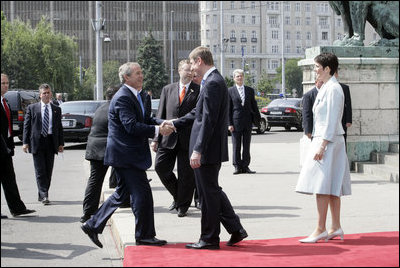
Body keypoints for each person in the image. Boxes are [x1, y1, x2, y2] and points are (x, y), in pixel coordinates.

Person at [80, 62, 173, 248]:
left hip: (127, 154)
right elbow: (131, 126)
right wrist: (157, 130)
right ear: (126, 78)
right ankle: (144, 235)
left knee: (122, 194)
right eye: (137, 73)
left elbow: (145, 119)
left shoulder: (135, 95)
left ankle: (92, 224)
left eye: (141, 72)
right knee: (143, 195)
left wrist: (166, 123)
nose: (141, 75)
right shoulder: (123, 97)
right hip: (126, 155)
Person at [172, 46, 247, 249]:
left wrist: (198, 149)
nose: (191, 69)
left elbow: (208, 121)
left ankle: (209, 238)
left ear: (199, 61)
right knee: (212, 191)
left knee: (208, 195)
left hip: (207, 149)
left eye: (191, 63)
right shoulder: (211, 81)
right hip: (208, 148)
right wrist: (173, 123)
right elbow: (198, 112)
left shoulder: (213, 82)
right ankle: (235, 229)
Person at [295, 52, 351, 243]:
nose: (315, 70)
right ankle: (335, 227)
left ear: (327, 69)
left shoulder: (333, 89)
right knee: (332, 186)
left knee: (322, 186)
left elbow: (332, 119)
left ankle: (321, 229)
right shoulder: (329, 87)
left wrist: (322, 145)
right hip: (329, 140)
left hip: (327, 141)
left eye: (317, 67)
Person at [151, 59, 200, 217]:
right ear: (179, 71)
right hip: (168, 137)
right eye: (186, 70)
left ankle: (183, 206)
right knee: (160, 167)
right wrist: (156, 138)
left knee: (186, 174)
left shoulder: (198, 90)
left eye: (191, 70)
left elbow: (197, 116)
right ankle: (179, 196)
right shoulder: (168, 89)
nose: (189, 73)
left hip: (188, 138)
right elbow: (160, 115)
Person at [80, 86, 121, 223]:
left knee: (95, 181)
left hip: (95, 148)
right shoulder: (115, 108)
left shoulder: (101, 108)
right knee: (127, 178)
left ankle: (88, 212)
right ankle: (125, 201)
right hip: (106, 149)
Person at [1, 73, 36, 218]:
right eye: (2, 83)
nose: (5, 85)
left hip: (6, 147)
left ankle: (17, 208)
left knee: (9, 178)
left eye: (7, 83)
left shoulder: (5, 101)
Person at [23, 83, 64, 205]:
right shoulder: (32, 108)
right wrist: (25, 142)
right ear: (40, 95)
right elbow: (27, 126)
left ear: (51, 94)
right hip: (37, 142)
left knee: (48, 170)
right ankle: (44, 195)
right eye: (44, 93)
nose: (46, 95)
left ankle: (42, 194)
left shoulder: (56, 109)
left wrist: (61, 143)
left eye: (48, 92)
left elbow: (59, 128)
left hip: (51, 141)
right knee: (40, 170)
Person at [228, 69, 261, 175]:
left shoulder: (250, 90)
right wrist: (229, 124)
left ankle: (245, 166)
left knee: (246, 145)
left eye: (241, 76)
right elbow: (228, 109)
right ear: (234, 78)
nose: (240, 78)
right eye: (237, 76)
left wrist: (257, 120)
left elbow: (254, 106)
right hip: (235, 122)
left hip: (247, 122)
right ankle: (237, 166)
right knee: (236, 145)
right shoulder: (230, 91)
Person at [335, 71, 352, 146]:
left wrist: (349, 120)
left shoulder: (344, 88)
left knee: (342, 139)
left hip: (342, 118)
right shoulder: (324, 87)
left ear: (337, 74)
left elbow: (348, 104)